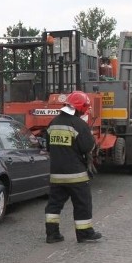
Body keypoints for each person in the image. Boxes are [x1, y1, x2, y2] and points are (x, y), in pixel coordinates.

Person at [44, 90, 103, 243]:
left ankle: (52, 235)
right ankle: (84, 234)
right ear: (80, 107)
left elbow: (49, 147)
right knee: (82, 203)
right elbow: (88, 147)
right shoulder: (80, 125)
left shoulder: (53, 123)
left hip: (56, 174)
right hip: (76, 175)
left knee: (54, 205)